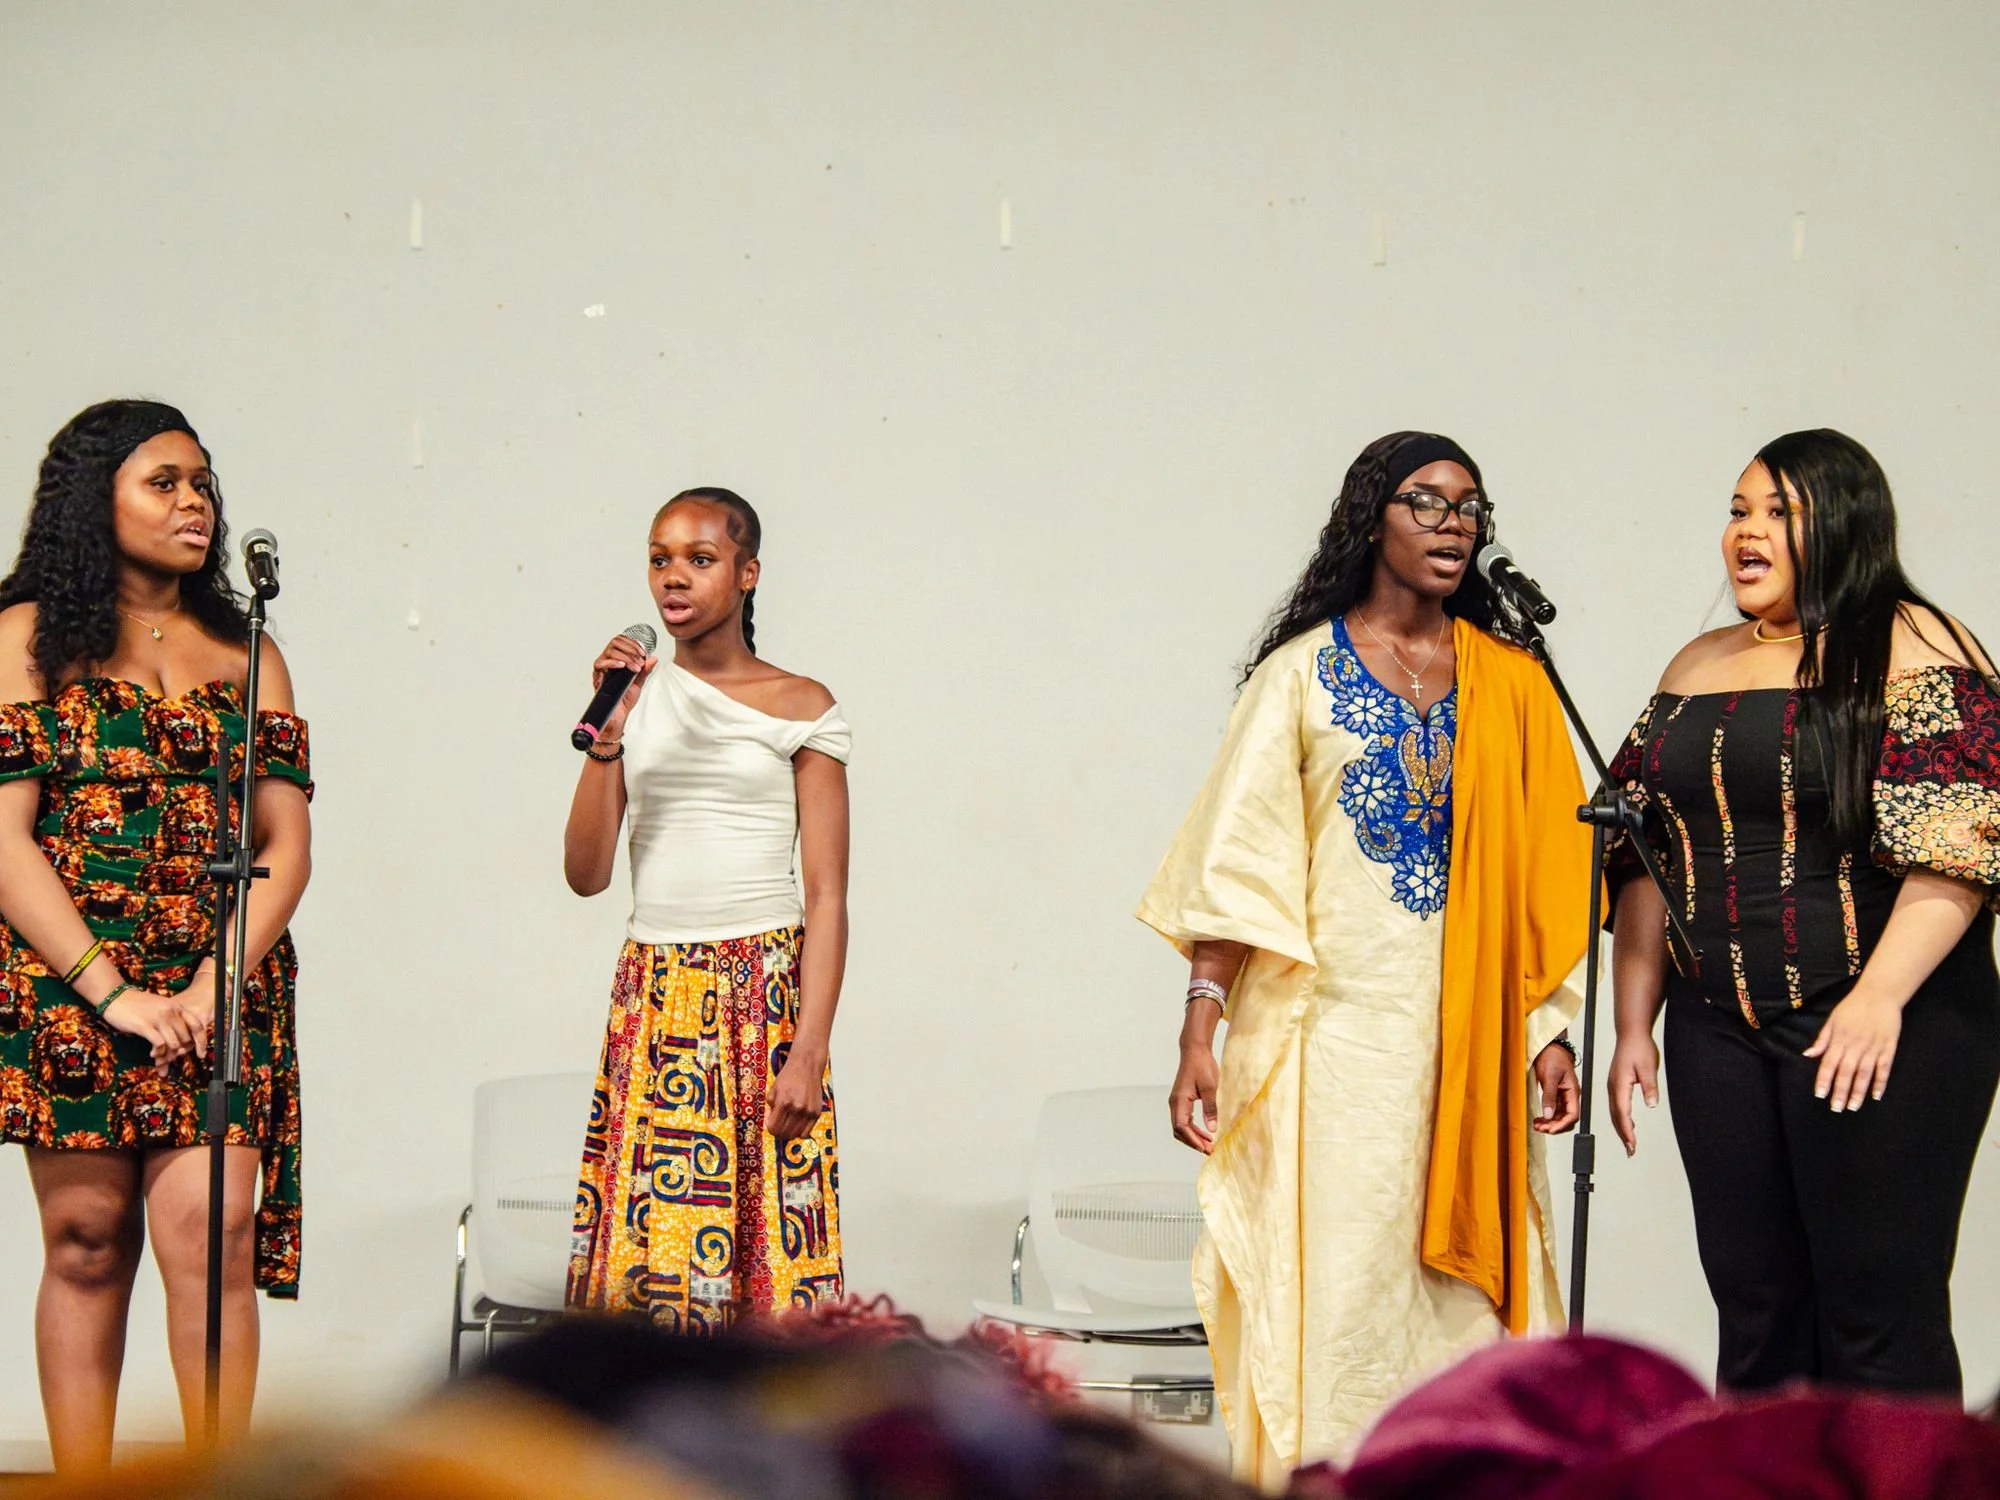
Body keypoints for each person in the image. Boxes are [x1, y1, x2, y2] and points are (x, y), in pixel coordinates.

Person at [1139, 432, 1595, 1482]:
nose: (1453, 526)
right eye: (1425, 503)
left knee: (1465, 1310)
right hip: (1327, 1051)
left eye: (1469, 508)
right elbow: (1238, 870)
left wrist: (1544, 1032)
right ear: (1369, 517)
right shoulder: (1297, 679)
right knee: (1336, 1295)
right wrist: (1200, 1018)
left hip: (1469, 1043)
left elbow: (1541, 875)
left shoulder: (1513, 685)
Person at [1605, 428, 2000, 1397]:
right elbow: (1641, 854)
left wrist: (1877, 1000)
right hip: (1715, 1030)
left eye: (1777, 511)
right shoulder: (1693, 665)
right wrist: (1630, 1025)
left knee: (1875, 1316)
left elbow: (1958, 849)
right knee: (1755, 1315)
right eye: (1738, 510)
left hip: (1883, 1018)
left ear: (1842, 523)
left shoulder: (1918, 645)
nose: (1747, 532)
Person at [0, 400, 313, 1466]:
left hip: (219, 986)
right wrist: (115, 994)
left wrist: (207, 990)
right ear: (96, 501)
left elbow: (284, 841)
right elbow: (5, 841)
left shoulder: (246, 649)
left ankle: (216, 1487)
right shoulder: (22, 643)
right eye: (164, 482)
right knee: (86, 1247)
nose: (196, 503)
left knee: (213, 1239)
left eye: (203, 482)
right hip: (70, 984)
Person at [564, 487, 849, 1331]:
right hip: (655, 991)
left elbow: (828, 895)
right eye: (659, 558)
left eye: (700, 558)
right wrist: (609, 731)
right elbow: (585, 874)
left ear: (748, 573)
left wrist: (809, 1052)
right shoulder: (634, 697)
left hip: (761, 993)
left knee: (769, 1253)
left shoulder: (803, 704)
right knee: (650, 1251)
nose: (673, 578)